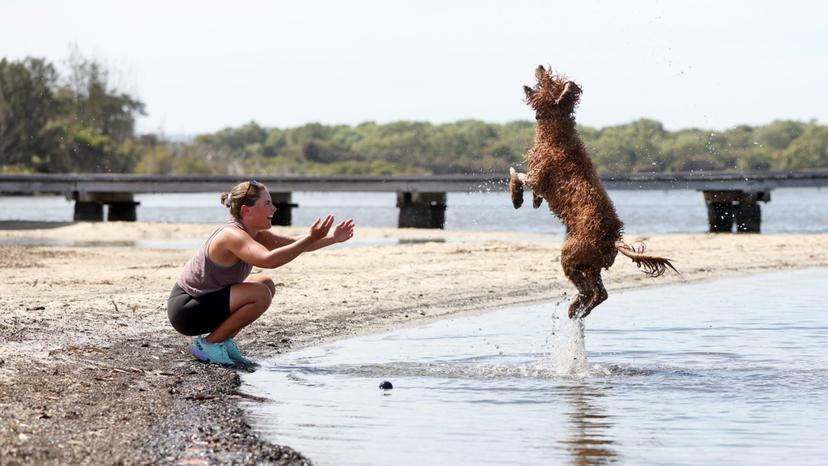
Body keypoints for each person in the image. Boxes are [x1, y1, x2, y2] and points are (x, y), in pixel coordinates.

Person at [167, 180, 355, 367]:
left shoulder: (255, 233)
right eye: (267, 204)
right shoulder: (231, 235)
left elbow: (293, 243)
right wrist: (311, 237)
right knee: (260, 294)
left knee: (266, 283)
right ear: (246, 210)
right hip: (187, 310)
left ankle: (222, 340)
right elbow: (269, 260)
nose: (273, 208)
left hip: (205, 302)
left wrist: (333, 238)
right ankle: (209, 345)